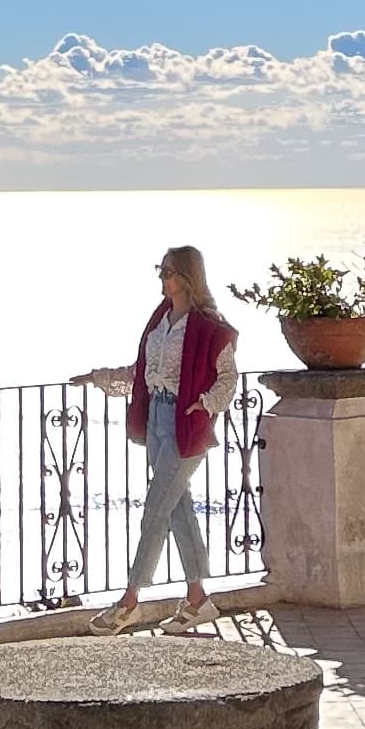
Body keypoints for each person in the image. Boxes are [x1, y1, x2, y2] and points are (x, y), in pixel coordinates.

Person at [87, 245, 239, 634]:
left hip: (184, 423)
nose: (162, 278)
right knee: (176, 507)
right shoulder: (161, 319)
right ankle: (197, 599)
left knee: (155, 508)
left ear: (187, 276)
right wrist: (100, 377)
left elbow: (228, 378)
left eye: (168, 271)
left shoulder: (207, 326)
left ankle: (130, 601)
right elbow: (143, 371)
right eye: (161, 270)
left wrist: (203, 405)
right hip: (156, 416)